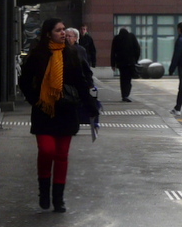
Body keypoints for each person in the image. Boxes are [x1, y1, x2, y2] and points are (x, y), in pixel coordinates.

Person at [18, 18, 98, 212]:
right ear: (48, 34)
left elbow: (81, 82)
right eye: (58, 30)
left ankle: (58, 199)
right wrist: (35, 99)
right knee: (46, 150)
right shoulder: (38, 55)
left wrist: (90, 105)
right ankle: (43, 192)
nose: (63, 33)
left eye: (64, 30)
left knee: (61, 155)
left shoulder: (71, 54)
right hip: (44, 111)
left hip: (66, 111)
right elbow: (24, 81)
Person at [110, 27, 140, 102]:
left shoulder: (116, 38)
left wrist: (113, 64)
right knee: (128, 80)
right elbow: (137, 49)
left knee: (123, 79)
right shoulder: (132, 37)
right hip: (130, 62)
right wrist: (135, 60)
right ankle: (126, 94)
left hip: (121, 63)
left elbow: (113, 52)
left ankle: (124, 95)